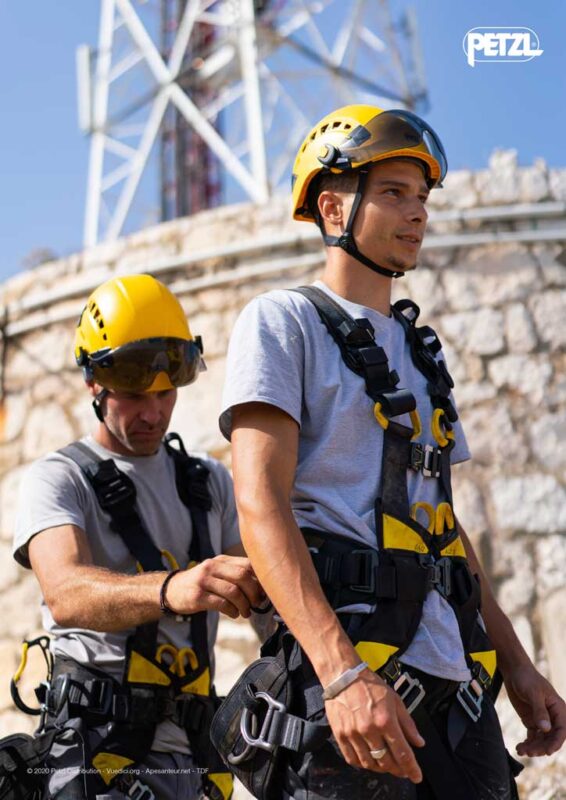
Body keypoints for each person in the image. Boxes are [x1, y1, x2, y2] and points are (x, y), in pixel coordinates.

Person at [218, 105, 566, 799]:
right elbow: (259, 503)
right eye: (394, 193)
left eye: (423, 197)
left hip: (457, 691)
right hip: (355, 687)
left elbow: (442, 525)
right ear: (332, 206)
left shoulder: (421, 352)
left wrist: (518, 665)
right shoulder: (284, 322)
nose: (418, 213)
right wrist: (342, 674)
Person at [12, 274, 264, 800]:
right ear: (93, 384)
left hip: (196, 760)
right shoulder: (59, 478)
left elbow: (268, 595)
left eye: (166, 393)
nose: (153, 413)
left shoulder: (207, 483)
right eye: (132, 395)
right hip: (96, 753)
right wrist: (172, 589)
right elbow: (65, 593)